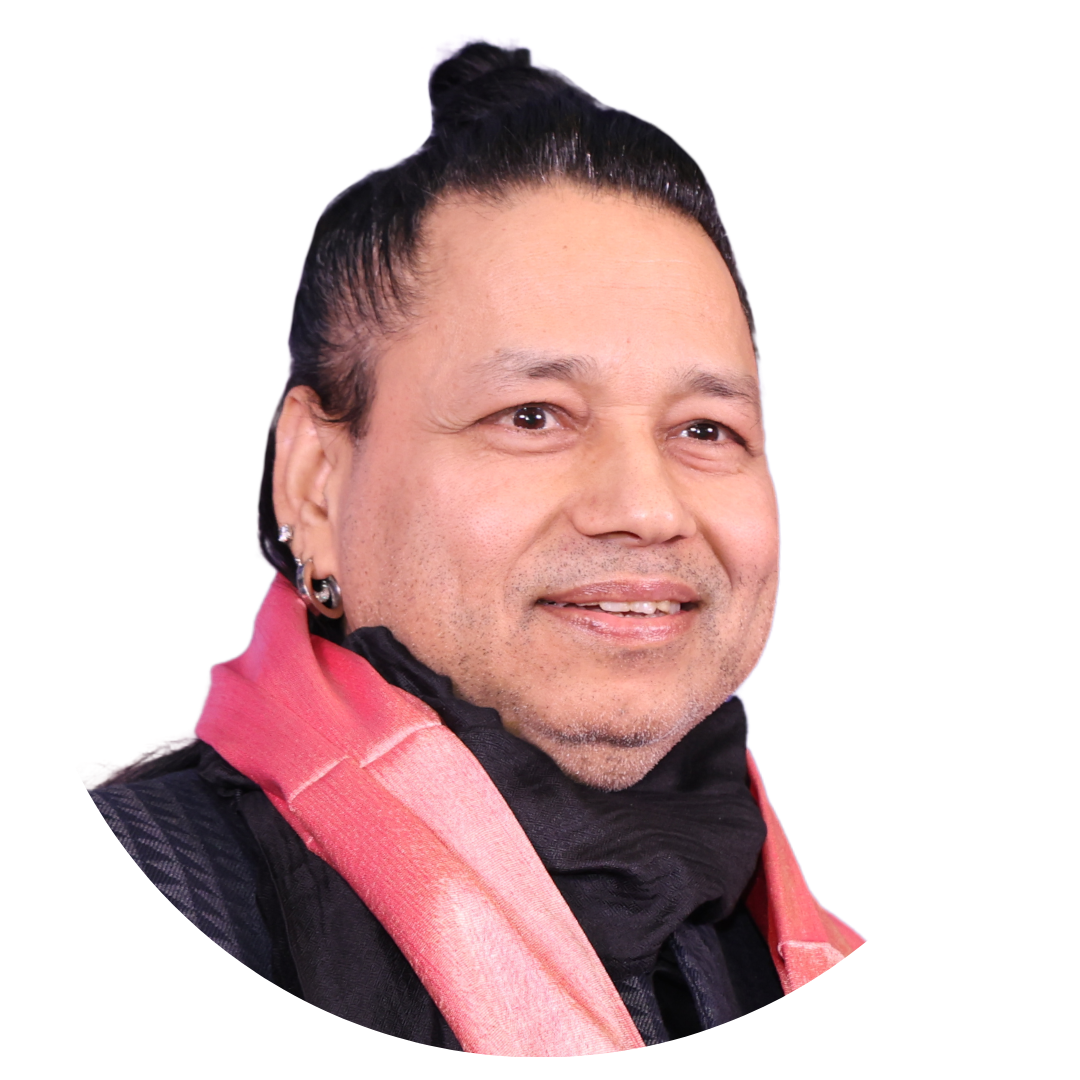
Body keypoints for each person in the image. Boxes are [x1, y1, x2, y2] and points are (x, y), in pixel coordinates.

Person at [91, 42, 862, 1054]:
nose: (646, 507)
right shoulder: (169, 881)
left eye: (706, 430)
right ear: (315, 484)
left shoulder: (791, 946)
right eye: (533, 415)